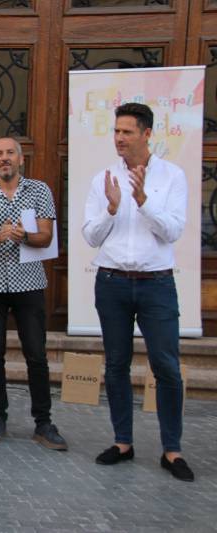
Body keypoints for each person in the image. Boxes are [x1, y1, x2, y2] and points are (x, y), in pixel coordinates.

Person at [82, 103, 193, 482]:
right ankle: (123, 442)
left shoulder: (172, 176)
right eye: (116, 131)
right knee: (116, 365)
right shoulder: (103, 178)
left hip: (156, 284)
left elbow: (172, 231)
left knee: (167, 367)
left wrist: (143, 201)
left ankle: (172, 450)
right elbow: (90, 236)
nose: (119, 138)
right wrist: (111, 210)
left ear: (146, 134)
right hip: (111, 282)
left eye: (127, 132)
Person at [0, 136, 67, 450]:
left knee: (36, 354)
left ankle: (43, 423)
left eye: (10, 153)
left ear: (21, 159)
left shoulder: (40, 190)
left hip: (29, 283)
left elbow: (46, 237)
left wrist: (25, 236)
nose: (4, 158)